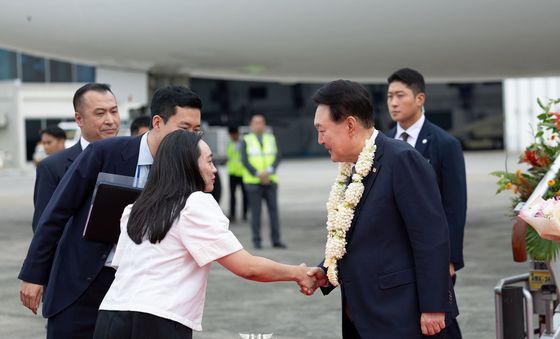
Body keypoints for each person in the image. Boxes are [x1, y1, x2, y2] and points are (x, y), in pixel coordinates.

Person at [19, 85, 203, 339]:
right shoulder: (105, 153)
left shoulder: (186, 168)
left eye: (196, 131)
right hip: (82, 286)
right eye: (184, 130)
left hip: (140, 293)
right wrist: (34, 276)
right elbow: (55, 215)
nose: (191, 139)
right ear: (158, 122)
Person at [93, 130, 316, 339]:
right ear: (188, 166)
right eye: (209, 161)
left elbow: (122, 268)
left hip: (110, 316)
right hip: (159, 319)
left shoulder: (134, 210)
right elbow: (248, 268)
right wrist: (298, 273)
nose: (215, 169)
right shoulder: (194, 203)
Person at [306, 80, 458, 338]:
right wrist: (327, 269)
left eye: (323, 131)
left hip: (402, 314)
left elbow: (431, 237)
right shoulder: (352, 168)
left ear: (350, 125)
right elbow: (360, 235)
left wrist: (434, 306)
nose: (320, 140)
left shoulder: (401, 160)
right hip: (364, 313)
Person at [385, 68, 467, 338]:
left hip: (433, 250)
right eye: (389, 97)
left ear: (420, 98)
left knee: (439, 320)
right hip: (395, 252)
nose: (393, 103)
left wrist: (451, 257)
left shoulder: (445, 144)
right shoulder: (381, 143)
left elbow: (455, 206)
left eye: (400, 95)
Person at [32, 83, 120, 232]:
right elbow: (43, 229)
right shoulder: (52, 167)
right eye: (100, 113)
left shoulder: (133, 158)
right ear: (79, 119)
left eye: (114, 111)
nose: (110, 120)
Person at [240, 114, 285, 249]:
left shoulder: (271, 138)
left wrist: (269, 171)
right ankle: (257, 240)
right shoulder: (246, 140)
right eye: (256, 123)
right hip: (253, 182)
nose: (258, 125)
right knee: (256, 213)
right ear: (251, 125)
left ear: (264, 124)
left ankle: (276, 240)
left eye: (261, 122)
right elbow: (245, 161)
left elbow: (278, 157)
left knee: (273, 212)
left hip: (270, 181)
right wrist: (259, 174)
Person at [226, 126, 248, 222]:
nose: (232, 137)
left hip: (243, 173)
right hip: (232, 173)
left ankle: (245, 214)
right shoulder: (229, 143)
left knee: (245, 195)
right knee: (232, 195)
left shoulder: (243, 143)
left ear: (237, 134)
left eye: (233, 135)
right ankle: (232, 214)